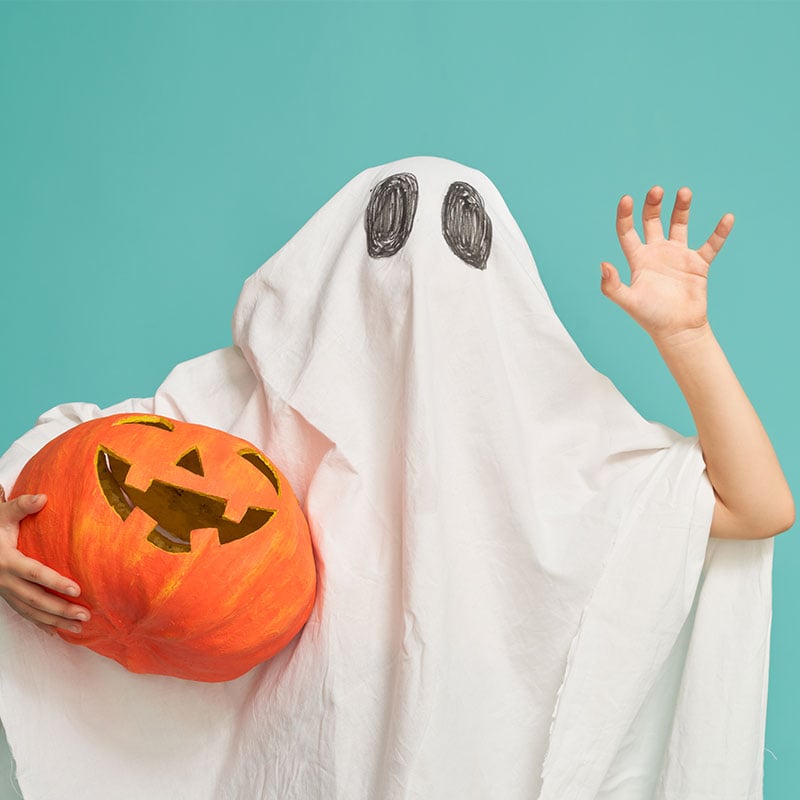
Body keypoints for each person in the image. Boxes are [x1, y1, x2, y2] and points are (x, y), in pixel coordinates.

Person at [0, 158, 792, 799]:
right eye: (389, 236)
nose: (423, 279)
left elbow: (755, 506)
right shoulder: (247, 407)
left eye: (462, 245)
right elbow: (84, 463)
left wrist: (687, 339)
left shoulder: (558, 446)